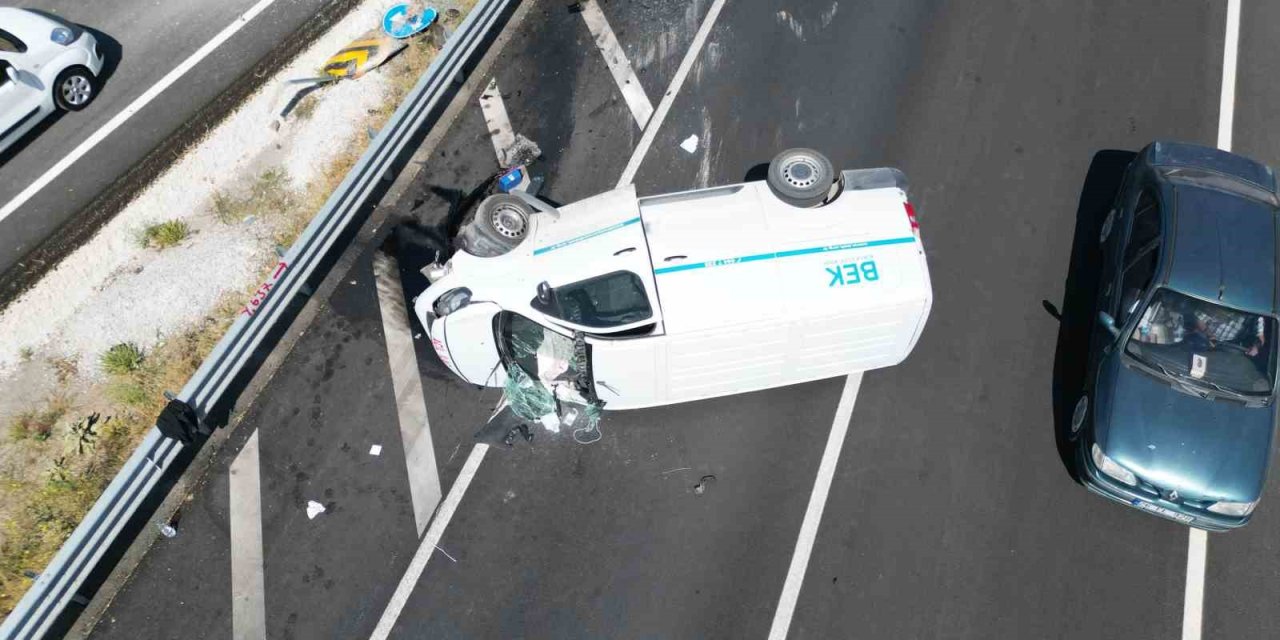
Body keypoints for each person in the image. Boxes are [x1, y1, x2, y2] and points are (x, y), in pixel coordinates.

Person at [1189, 305, 1265, 356]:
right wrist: (1209, 335)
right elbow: (1199, 318)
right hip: (1205, 336)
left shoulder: (1254, 314)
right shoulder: (1222, 302)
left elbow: (1260, 336)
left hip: (1229, 346)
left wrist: (1256, 347)